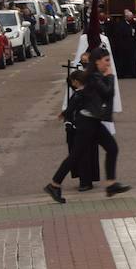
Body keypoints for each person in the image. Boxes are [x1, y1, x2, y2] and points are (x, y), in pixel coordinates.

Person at [81, 49, 130, 197]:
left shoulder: (96, 75)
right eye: (106, 60)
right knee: (75, 155)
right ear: (97, 61)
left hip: (94, 120)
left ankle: (111, 184)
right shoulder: (94, 76)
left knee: (112, 148)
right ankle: (54, 184)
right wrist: (110, 77)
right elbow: (108, 93)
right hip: (88, 121)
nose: (109, 64)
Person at [45, 69, 91, 202]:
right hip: (83, 128)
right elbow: (72, 109)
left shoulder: (79, 94)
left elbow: (71, 109)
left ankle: (56, 184)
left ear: (76, 82)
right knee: (77, 156)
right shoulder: (82, 94)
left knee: (76, 156)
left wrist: (65, 115)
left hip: (82, 127)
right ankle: (56, 184)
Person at [106, 10, 136, 78]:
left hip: (132, 45)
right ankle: (122, 73)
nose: (131, 18)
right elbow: (118, 35)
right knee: (123, 60)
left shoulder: (133, 24)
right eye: (130, 17)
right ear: (126, 17)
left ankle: (133, 73)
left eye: (132, 17)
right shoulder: (121, 24)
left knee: (133, 60)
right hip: (124, 45)